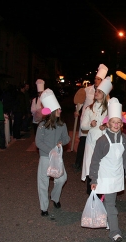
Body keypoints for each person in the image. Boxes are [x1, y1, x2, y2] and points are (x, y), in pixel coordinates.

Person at [89, 97, 126, 242]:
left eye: (118, 122)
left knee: (109, 203)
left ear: (122, 124)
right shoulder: (102, 141)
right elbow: (95, 161)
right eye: (113, 122)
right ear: (108, 123)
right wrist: (94, 179)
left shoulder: (124, 140)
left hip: (116, 177)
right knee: (111, 205)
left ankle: (106, 217)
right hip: (105, 177)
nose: (116, 125)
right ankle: (115, 232)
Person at [35, 88, 70, 216]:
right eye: (58, 109)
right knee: (43, 182)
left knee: (61, 179)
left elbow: (67, 139)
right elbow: (39, 142)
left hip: (57, 158)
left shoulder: (62, 125)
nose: (60, 111)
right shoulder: (42, 125)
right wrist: (51, 151)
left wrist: (62, 142)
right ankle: (44, 207)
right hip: (45, 157)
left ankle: (55, 197)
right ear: (52, 111)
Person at [73, 64, 108, 170]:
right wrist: (77, 111)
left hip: (98, 123)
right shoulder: (87, 90)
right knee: (83, 142)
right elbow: (79, 102)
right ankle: (78, 163)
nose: (97, 81)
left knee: (95, 145)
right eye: (96, 79)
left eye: (99, 79)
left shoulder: (105, 93)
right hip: (86, 120)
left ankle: (94, 165)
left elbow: (107, 106)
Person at [81, 76, 112, 194]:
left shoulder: (109, 109)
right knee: (90, 166)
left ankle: (101, 193)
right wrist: (90, 124)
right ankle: (91, 193)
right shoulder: (89, 109)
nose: (96, 93)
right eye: (96, 91)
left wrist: (106, 126)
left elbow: (114, 123)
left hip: (103, 141)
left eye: (99, 91)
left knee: (102, 167)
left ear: (104, 94)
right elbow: (83, 126)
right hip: (91, 142)